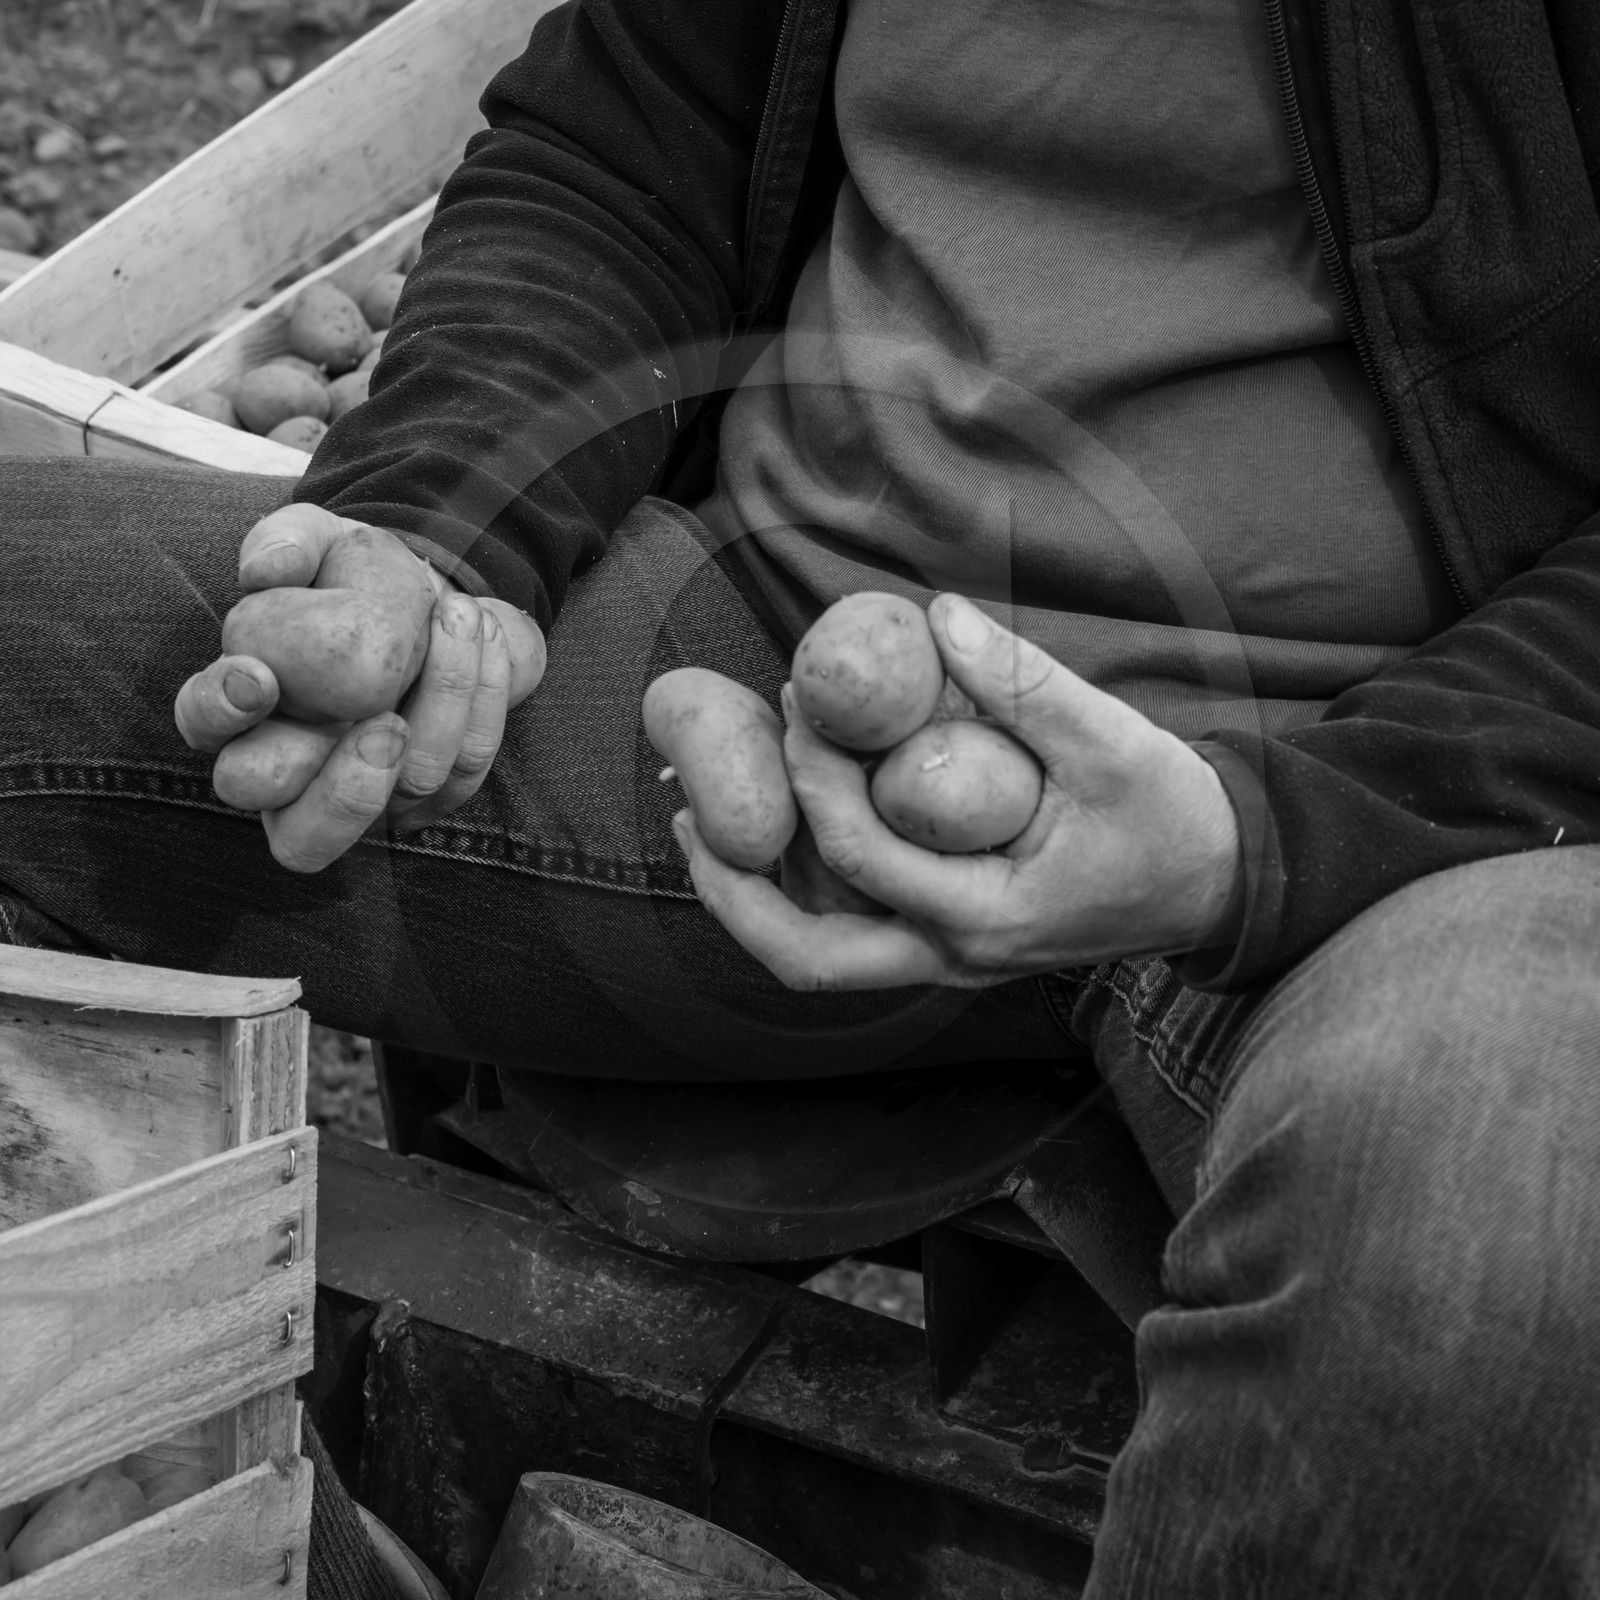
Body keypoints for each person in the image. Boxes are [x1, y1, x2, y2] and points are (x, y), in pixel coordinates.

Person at [4, 0, 1600, 1592]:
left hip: (1413, 819)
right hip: (767, 674)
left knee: (1499, 1218)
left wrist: (1266, 845)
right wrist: (435, 530)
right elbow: (628, 158)